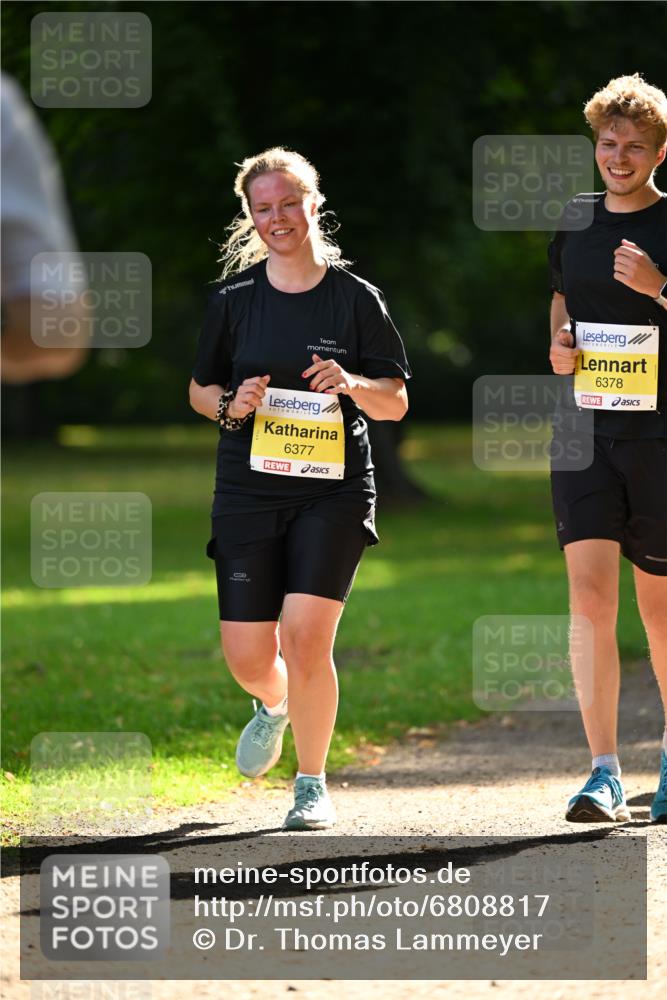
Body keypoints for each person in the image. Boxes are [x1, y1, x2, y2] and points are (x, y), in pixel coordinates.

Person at [189, 147, 411, 831]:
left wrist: (351, 382)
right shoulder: (232, 301)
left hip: (333, 489)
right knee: (249, 655)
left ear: (313, 204)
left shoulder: (356, 300)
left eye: (289, 202)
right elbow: (200, 391)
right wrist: (236, 401)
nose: (277, 217)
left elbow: (395, 401)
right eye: (263, 208)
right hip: (249, 491)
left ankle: (310, 783)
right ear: (250, 218)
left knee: (306, 637)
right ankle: (273, 704)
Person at [548, 74, 667, 823]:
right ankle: (602, 772)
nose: (616, 157)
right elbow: (561, 300)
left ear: (659, 152)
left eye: (632, 146)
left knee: (658, 611)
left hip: (660, 438)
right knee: (589, 601)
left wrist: (659, 288)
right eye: (606, 143)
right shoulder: (573, 220)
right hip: (583, 430)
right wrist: (557, 346)